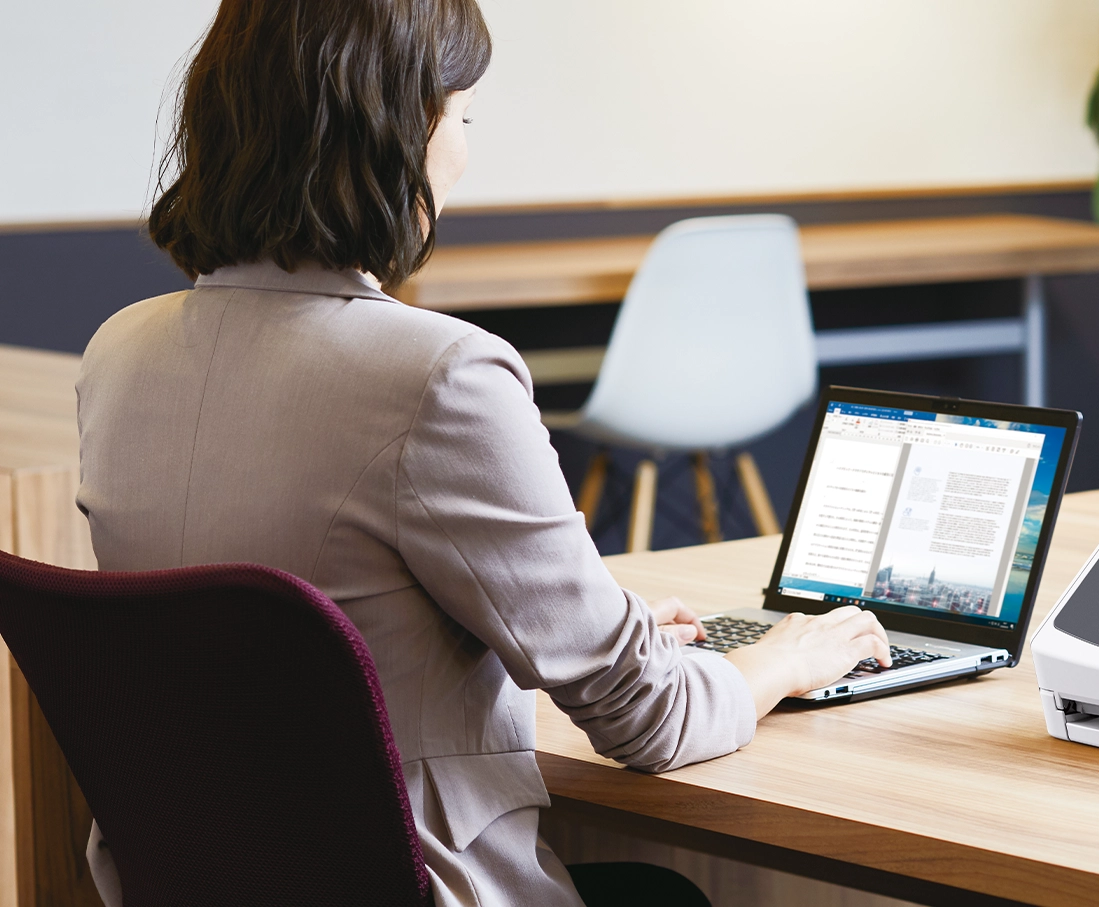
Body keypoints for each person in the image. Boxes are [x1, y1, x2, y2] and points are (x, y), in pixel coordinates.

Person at [74, 1, 891, 905]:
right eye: (463, 115)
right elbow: (648, 719)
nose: (463, 151)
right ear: (397, 132)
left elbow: (303, 647)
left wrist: (564, 627)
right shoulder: (438, 374)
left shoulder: (120, 352)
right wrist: (780, 659)